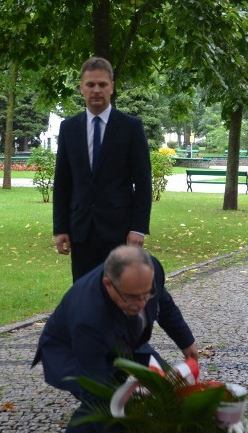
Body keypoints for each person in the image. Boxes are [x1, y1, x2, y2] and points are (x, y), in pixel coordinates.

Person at [33, 245, 199, 433]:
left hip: (127, 338)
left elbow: (163, 303)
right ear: (108, 285)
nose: (140, 304)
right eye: (131, 297)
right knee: (101, 401)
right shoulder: (89, 316)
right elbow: (96, 391)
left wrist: (186, 341)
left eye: (145, 294)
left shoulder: (149, 270)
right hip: (71, 352)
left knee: (167, 386)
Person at [52, 57, 153, 281]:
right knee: (84, 295)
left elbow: (143, 182)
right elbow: (62, 182)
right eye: (90, 85)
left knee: (119, 292)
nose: (96, 90)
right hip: (81, 231)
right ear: (81, 88)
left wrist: (138, 228)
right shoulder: (69, 128)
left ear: (112, 87)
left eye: (102, 84)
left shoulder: (131, 127)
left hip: (120, 230)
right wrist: (60, 228)